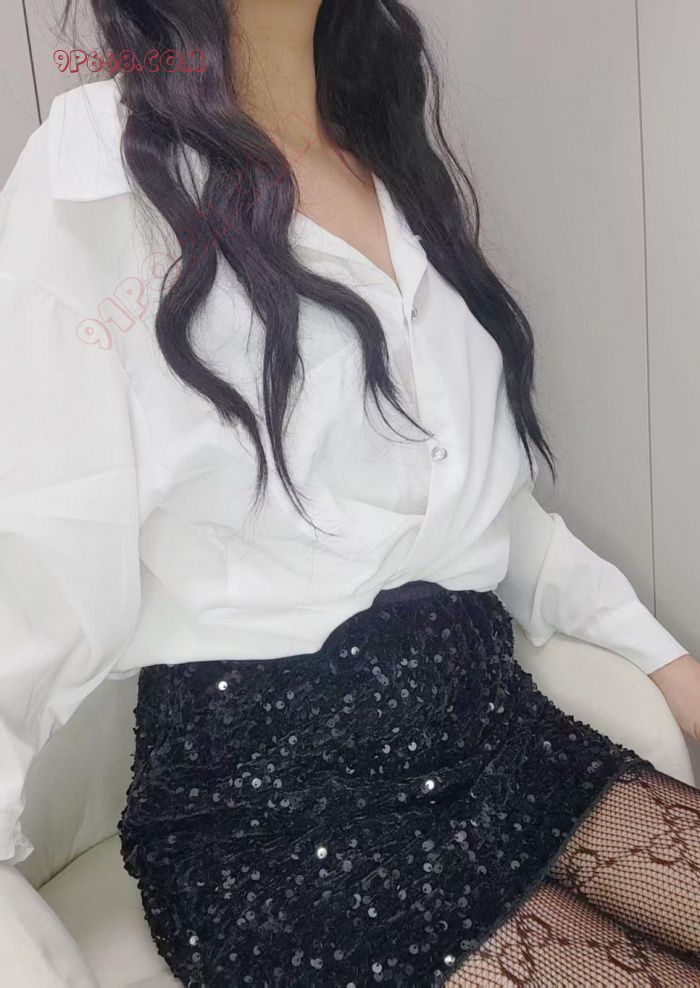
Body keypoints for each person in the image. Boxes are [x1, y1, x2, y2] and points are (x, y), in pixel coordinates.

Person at [0, 0, 698, 984]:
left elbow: (489, 510)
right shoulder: (97, 175)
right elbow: (30, 565)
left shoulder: (380, 144)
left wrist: (672, 670)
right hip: (282, 829)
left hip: (498, 737)